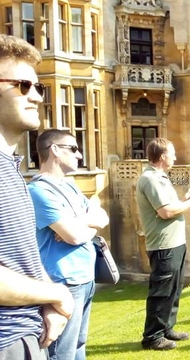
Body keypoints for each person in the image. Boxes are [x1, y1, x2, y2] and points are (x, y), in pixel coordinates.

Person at [0, 34, 74, 360]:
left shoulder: (10, 168)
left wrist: (50, 299)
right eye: (22, 86)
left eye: (38, 87)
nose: (36, 97)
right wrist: (55, 292)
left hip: (28, 335)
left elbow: (22, 259)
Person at [28, 130, 109, 360]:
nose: (80, 155)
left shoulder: (70, 186)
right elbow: (73, 236)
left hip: (85, 278)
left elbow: (103, 217)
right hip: (62, 282)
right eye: (73, 148)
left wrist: (78, 223)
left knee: (78, 347)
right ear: (54, 149)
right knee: (60, 353)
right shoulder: (38, 191)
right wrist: (78, 227)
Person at [136, 138, 190, 350]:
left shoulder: (160, 178)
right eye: (172, 153)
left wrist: (184, 200)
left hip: (174, 242)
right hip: (163, 245)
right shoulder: (151, 179)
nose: (175, 157)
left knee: (174, 288)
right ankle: (152, 337)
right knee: (162, 291)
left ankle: (167, 328)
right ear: (163, 156)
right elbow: (165, 212)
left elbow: (170, 206)